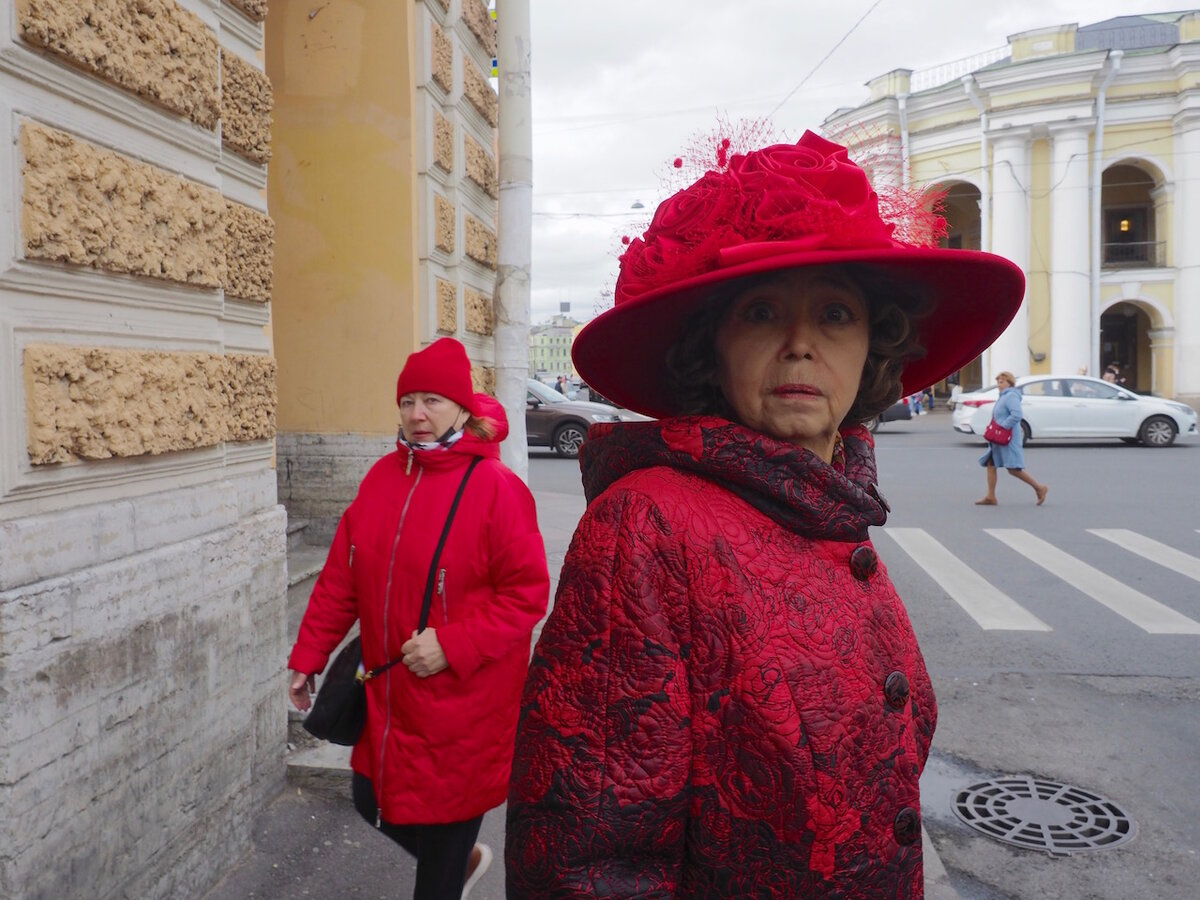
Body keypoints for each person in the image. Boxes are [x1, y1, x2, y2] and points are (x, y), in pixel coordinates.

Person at [505, 131, 1024, 896]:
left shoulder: (838, 508)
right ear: (710, 348)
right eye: (761, 311)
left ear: (873, 351)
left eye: (837, 314)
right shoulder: (647, 528)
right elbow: (587, 862)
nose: (800, 345)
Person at [288, 337, 550, 900]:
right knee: (367, 794)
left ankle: (453, 866)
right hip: (393, 692)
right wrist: (308, 657)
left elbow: (527, 596)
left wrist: (452, 645)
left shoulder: (497, 490)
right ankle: (460, 862)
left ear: (461, 407)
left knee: (436, 863)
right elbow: (341, 579)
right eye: (407, 401)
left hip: (465, 703)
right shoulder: (383, 478)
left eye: (431, 399)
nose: (417, 414)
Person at [975, 370, 1048, 507]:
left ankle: (1039, 488)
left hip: (1007, 438)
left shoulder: (1011, 396)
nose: (999, 384)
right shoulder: (1003, 396)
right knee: (991, 464)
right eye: (998, 382)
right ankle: (991, 496)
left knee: (1013, 469)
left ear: (1010, 383)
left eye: (1002, 382)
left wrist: (1003, 426)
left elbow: (1016, 415)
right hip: (998, 438)